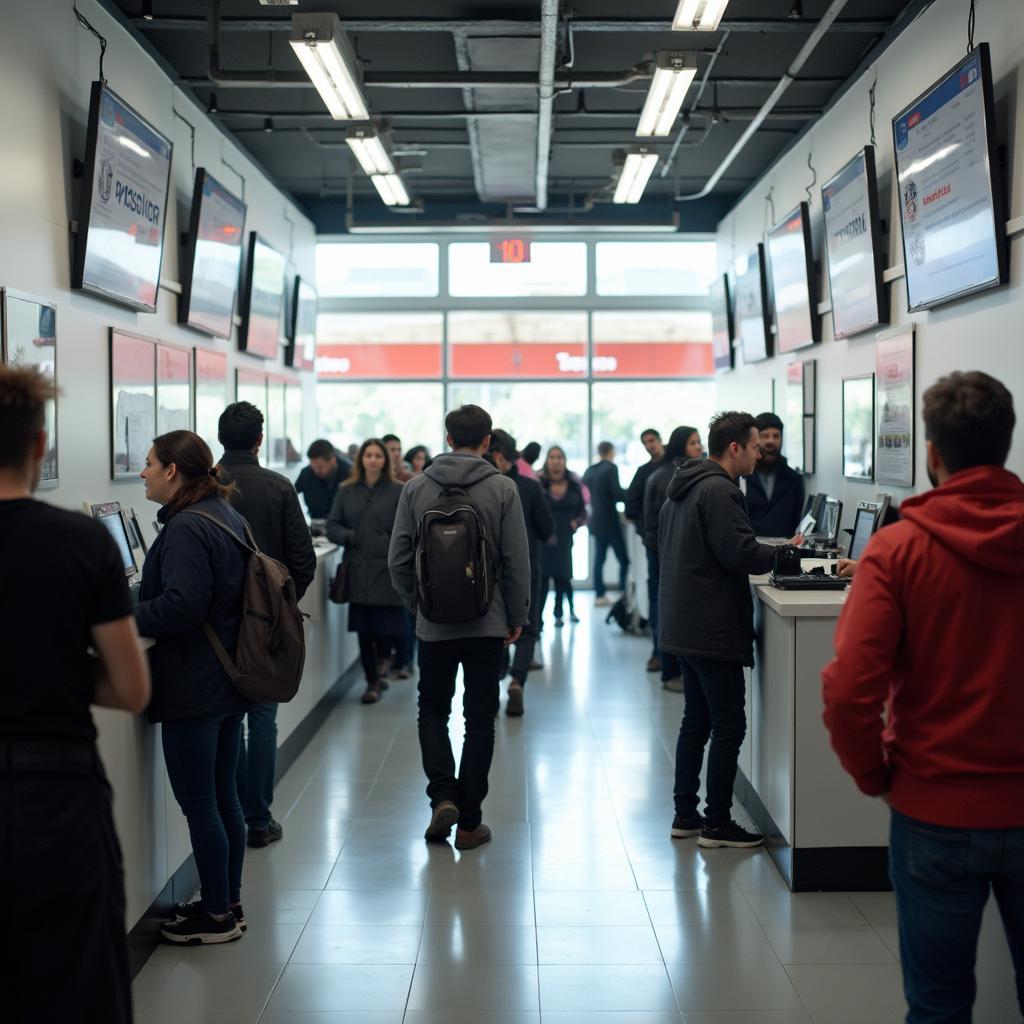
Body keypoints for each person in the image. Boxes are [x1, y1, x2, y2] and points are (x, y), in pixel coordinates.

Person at [822, 371, 1024, 1024]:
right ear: (1006, 443)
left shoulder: (899, 548)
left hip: (934, 806)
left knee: (938, 1006)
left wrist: (874, 774)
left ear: (931, 454)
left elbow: (851, 688)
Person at [0, 366, 150, 1023]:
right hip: (53, 795)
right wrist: (53, 669)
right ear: (39, 446)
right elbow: (131, 688)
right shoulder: (81, 541)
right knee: (75, 982)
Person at [389, 405, 530, 851]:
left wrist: (419, 606)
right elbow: (516, 561)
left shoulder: (415, 487)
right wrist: (517, 615)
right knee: (479, 720)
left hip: (434, 627)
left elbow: (397, 559)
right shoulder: (503, 488)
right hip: (487, 622)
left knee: (432, 709)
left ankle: (442, 795)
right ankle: (469, 823)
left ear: (447, 438)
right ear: (488, 442)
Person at [136, 430, 253, 944]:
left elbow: (183, 606)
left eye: (147, 463)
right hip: (227, 680)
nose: (141, 472)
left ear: (171, 472)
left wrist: (121, 615)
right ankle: (227, 900)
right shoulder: (226, 514)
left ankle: (215, 916)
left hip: (195, 683)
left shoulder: (186, 527)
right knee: (224, 796)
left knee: (201, 802)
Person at [660, 411, 788, 850]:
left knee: (695, 720)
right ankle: (716, 822)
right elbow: (740, 554)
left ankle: (685, 814)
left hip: (684, 622)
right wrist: (786, 556)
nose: (760, 453)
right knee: (728, 724)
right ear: (734, 448)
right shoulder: (720, 490)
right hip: (711, 627)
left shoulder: (685, 484)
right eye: (754, 446)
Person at [217, 401, 317, 849]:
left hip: (214, 625)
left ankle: (231, 813)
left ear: (220, 439)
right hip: (267, 624)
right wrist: (282, 603)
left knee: (225, 720)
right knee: (262, 720)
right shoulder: (279, 487)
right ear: (260, 439)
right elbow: (302, 559)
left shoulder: (204, 486)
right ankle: (259, 818)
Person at [327, 439, 406, 705]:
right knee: (364, 630)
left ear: (386, 460)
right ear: (361, 459)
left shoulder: (399, 490)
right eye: (368, 455)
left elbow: (409, 527)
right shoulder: (346, 490)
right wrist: (350, 536)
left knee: (386, 629)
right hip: (358, 568)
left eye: (378, 456)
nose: (373, 460)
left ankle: (385, 662)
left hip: (387, 570)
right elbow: (332, 526)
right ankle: (372, 681)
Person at [489, 429, 555, 717]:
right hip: (526, 566)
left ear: (499, 456)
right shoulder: (529, 486)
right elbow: (547, 528)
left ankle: (497, 678)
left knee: (495, 626)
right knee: (527, 626)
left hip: (490, 570)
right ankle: (517, 679)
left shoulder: (486, 487)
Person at [643, 426, 704, 692]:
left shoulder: (678, 474)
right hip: (664, 553)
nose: (699, 447)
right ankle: (670, 670)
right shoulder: (668, 477)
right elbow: (651, 518)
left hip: (663, 550)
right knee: (666, 608)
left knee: (665, 607)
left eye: (699, 442)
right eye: (693, 443)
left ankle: (671, 667)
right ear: (681, 446)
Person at [539, 446, 588, 627]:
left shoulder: (575, 484)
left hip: (566, 538)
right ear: (547, 460)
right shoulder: (539, 483)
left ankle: (560, 613)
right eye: (552, 457)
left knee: (563, 576)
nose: (556, 461)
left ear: (565, 460)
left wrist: (576, 522)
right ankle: (538, 620)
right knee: (542, 580)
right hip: (543, 538)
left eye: (560, 457)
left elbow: (583, 512)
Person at [743, 412, 805, 538]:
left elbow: (795, 521)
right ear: (755, 440)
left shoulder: (794, 480)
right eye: (765, 436)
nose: (771, 441)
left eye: (776, 436)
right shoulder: (742, 477)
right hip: (749, 552)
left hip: (783, 552)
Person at [583, 441, 628, 607]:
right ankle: (625, 594)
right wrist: (633, 496)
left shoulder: (590, 470)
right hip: (610, 520)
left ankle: (599, 594)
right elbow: (617, 493)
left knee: (599, 559)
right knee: (623, 560)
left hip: (595, 521)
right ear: (611, 451)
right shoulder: (611, 468)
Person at [295, 439, 351, 520]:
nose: (316, 471)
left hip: (343, 526)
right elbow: (292, 494)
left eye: (320, 467)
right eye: (312, 466)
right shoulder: (306, 473)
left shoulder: (349, 474)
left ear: (333, 460)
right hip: (315, 523)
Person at [624, 428, 664, 528]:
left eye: (651, 441)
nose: (649, 445)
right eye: (645, 443)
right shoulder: (643, 471)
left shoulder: (676, 464)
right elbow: (631, 501)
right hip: (654, 529)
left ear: (660, 440)